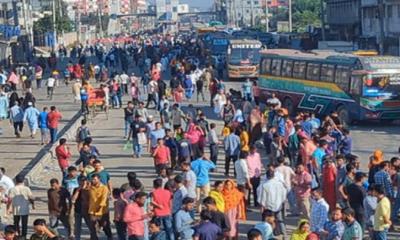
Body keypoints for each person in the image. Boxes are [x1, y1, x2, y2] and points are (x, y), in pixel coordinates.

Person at [257, 170, 288, 238]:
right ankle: (284, 234)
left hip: (268, 207)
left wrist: (262, 205)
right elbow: (284, 194)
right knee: (280, 220)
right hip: (278, 205)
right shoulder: (280, 184)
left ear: (267, 176)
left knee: (268, 222)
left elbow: (262, 197)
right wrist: (282, 201)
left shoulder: (265, 185)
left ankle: (269, 235)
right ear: (274, 175)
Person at [8, 175, 35, 239]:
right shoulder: (26, 188)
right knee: (24, 224)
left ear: (15, 181)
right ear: (23, 181)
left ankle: (16, 236)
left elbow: (9, 199)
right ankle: (24, 237)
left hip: (16, 210)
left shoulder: (12, 189)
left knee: (16, 224)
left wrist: (8, 209)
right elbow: (31, 198)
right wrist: (33, 204)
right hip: (25, 209)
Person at [87, 174, 112, 240]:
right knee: (92, 227)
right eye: (92, 179)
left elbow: (104, 199)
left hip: (102, 211)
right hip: (92, 211)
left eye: (95, 179)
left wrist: (100, 207)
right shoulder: (91, 188)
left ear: (99, 179)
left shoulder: (104, 188)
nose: (93, 181)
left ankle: (109, 236)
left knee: (105, 226)